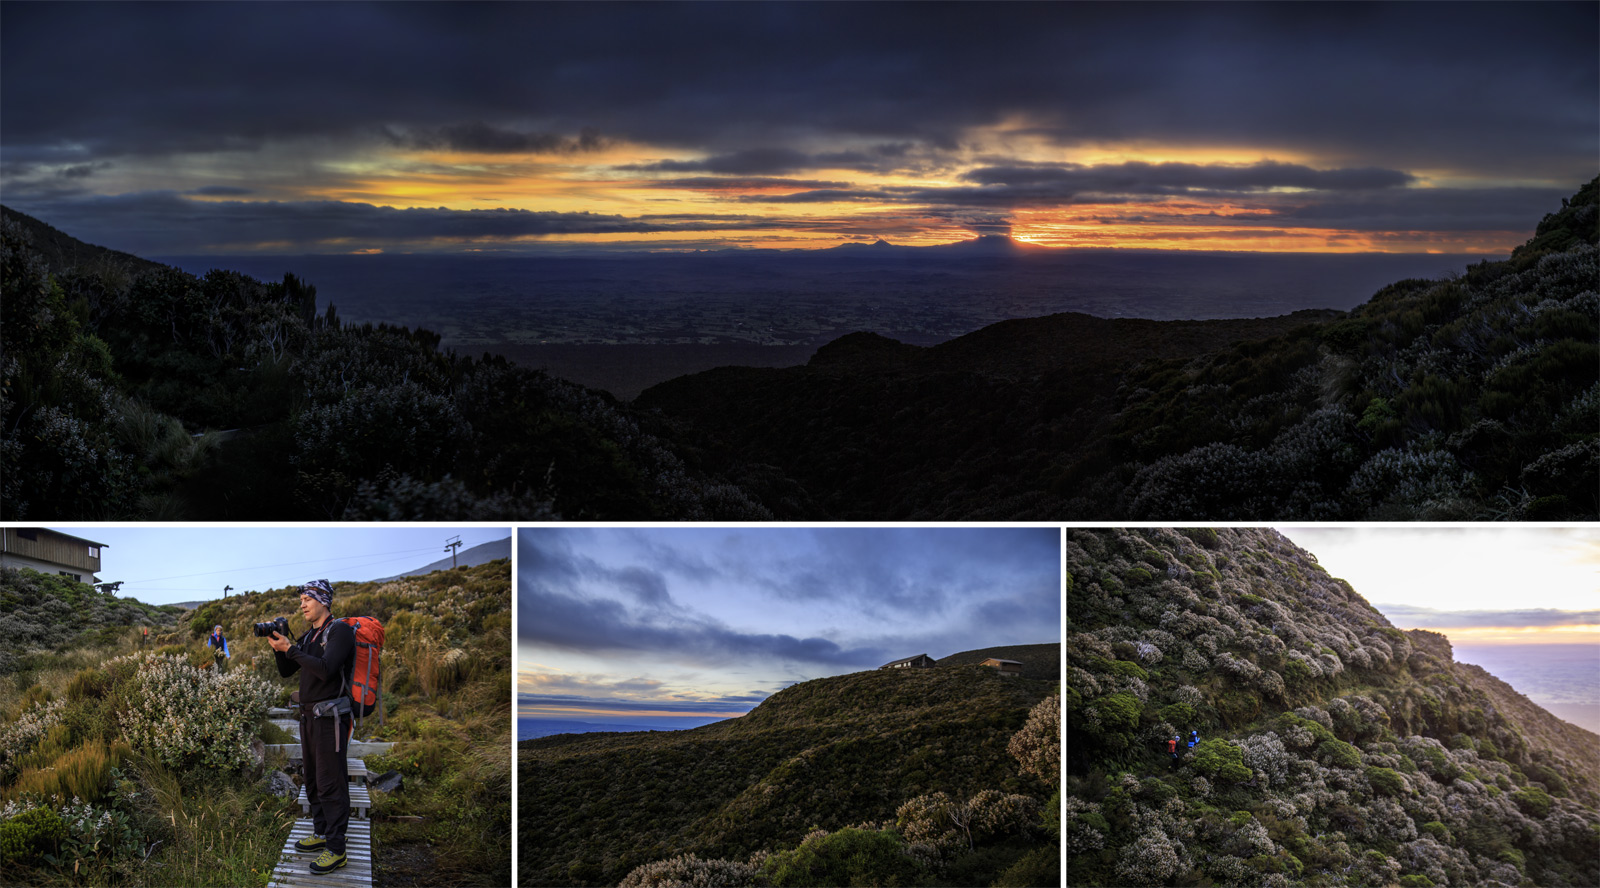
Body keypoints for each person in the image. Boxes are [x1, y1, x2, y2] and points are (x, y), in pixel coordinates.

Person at [268, 580, 356, 876]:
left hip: (330, 719)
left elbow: (326, 669)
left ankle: (336, 848)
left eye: (307, 599)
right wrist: (279, 648)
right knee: (314, 779)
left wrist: (291, 648)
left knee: (331, 781)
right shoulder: (309, 635)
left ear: (324, 601)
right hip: (308, 718)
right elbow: (286, 671)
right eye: (301, 599)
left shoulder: (339, 631)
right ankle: (321, 832)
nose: (302, 604)